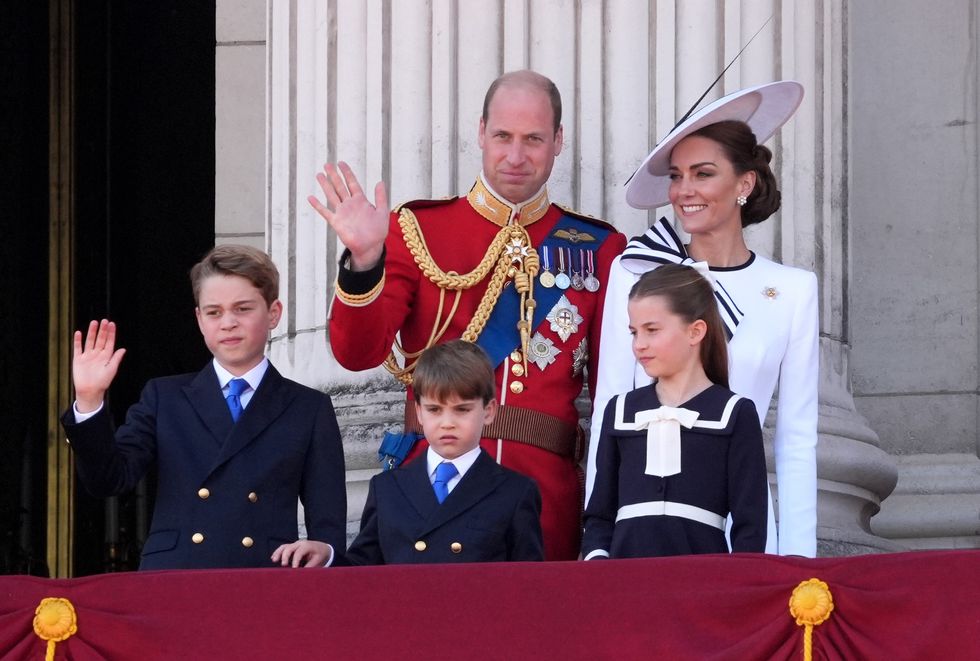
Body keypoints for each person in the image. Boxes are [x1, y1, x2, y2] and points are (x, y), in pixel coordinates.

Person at [309, 69, 627, 561]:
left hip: (547, 498)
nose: (516, 156)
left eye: (534, 139)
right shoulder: (418, 231)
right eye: (502, 136)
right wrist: (365, 261)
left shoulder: (599, 248)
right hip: (433, 491)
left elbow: (612, 394)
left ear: (559, 141)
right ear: (481, 132)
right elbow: (356, 354)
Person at [589, 80, 817, 557]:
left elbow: (796, 442)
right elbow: (610, 404)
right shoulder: (637, 271)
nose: (684, 191)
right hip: (642, 532)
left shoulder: (794, 291)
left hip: (743, 534)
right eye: (676, 175)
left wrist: (797, 562)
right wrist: (596, 546)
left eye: (703, 173)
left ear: (745, 184)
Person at [61, 245, 347, 570]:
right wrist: (88, 400)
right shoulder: (163, 397)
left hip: (265, 577)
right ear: (199, 319)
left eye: (242, 309)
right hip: (176, 578)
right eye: (214, 312)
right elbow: (109, 480)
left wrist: (325, 551)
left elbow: (328, 525)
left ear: (273, 313)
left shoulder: (308, 408)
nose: (228, 323)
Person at [582, 264, 768, 558]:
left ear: (695, 332)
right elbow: (599, 514)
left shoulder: (735, 413)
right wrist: (598, 564)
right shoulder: (620, 410)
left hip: (702, 583)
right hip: (623, 582)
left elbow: (751, 526)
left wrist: (735, 590)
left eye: (652, 330)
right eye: (634, 332)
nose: (639, 345)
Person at [301, 340, 543, 565]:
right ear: (419, 412)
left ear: (489, 411)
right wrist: (328, 557)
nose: (447, 422)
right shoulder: (387, 489)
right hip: (404, 611)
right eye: (434, 409)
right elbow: (363, 573)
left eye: (462, 410)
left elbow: (527, 586)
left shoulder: (515, 492)